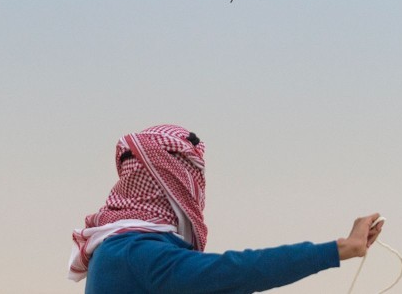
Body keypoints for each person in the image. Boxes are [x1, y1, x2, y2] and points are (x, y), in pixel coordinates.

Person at [68, 124, 384, 293]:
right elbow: (235, 271)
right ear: (173, 181)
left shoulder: (124, 248)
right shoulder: (134, 253)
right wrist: (341, 248)